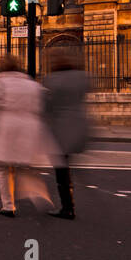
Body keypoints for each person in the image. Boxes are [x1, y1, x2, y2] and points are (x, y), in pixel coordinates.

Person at [0, 55, 57, 217]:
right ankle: (37, 192)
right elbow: (44, 102)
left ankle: (8, 205)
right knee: (24, 164)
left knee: (3, 168)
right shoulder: (31, 83)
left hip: (6, 126)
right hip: (29, 126)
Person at [43, 52, 89, 220]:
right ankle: (70, 201)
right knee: (68, 165)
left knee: (61, 170)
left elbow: (47, 106)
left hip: (60, 129)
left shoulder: (52, 80)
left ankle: (67, 207)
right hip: (79, 125)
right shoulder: (83, 78)